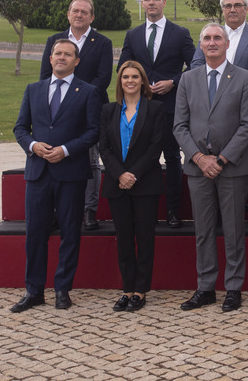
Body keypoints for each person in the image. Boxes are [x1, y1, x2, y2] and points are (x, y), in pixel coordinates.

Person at [173, 24, 248, 313]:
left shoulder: (245, 79)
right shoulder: (187, 79)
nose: (212, 43)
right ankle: (206, 287)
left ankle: (233, 288)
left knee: (234, 230)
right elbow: (179, 126)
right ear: (200, 45)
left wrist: (221, 160)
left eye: (217, 38)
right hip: (198, 169)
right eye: (207, 38)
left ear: (226, 44)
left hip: (232, 168)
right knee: (204, 230)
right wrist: (199, 158)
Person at [11, 39, 101, 312]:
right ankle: (34, 291)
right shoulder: (33, 89)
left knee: (70, 233)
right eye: (57, 53)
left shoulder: (88, 92)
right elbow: (20, 128)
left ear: (77, 61)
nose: (62, 57)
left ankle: (63, 289)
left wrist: (65, 150)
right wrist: (33, 145)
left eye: (68, 54)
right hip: (38, 173)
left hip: (70, 173)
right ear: (50, 58)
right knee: (35, 234)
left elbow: (93, 132)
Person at [191, 0, 248, 230]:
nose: (232, 9)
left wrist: (231, 89)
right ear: (222, 9)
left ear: (246, 9)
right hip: (211, 112)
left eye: (238, 5)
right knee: (216, 159)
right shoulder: (211, 35)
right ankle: (215, 211)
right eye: (227, 6)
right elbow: (196, 65)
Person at [118, 0, 195, 229]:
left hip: (172, 107)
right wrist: (138, 85)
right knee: (142, 159)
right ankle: (144, 212)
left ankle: (173, 211)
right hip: (140, 108)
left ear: (164, 2)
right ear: (142, 3)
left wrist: (173, 82)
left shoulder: (180, 33)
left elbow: (196, 66)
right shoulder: (133, 35)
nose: (150, 2)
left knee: (172, 159)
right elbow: (122, 69)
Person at [40, 0, 113, 232]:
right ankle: (55, 210)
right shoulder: (55, 40)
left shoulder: (102, 43)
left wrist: (78, 100)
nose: (79, 15)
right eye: (75, 11)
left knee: (91, 161)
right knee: (55, 159)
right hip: (57, 113)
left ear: (92, 16)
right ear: (69, 14)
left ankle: (88, 210)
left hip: (91, 112)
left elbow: (103, 79)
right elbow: (44, 78)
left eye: (84, 12)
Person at [97, 61, 164, 312]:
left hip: (145, 182)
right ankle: (126, 289)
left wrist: (133, 174)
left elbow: (155, 147)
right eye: (126, 76)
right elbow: (104, 147)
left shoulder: (155, 109)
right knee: (124, 239)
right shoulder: (108, 110)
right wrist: (119, 175)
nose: (130, 80)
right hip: (117, 185)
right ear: (120, 81)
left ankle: (140, 290)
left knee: (145, 238)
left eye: (135, 76)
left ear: (143, 81)